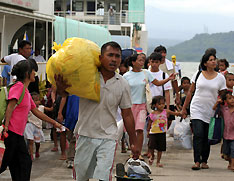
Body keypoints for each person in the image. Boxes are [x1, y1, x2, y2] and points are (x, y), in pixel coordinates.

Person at [55, 41, 140, 181]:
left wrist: (133, 141)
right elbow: (65, 93)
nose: (114, 59)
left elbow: (127, 114)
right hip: (84, 134)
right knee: (81, 177)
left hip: (108, 137)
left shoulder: (122, 83)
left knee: (104, 177)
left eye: (117, 56)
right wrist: (59, 87)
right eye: (110, 55)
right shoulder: (87, 77)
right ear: (100, 58)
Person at [0, 60, 63, 181]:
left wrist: (55, 123)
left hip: (17, 135)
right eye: (33, 71)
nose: (35, 73)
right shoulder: (18, 87)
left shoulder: (25, 91)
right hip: (11, 133)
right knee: (3, 166)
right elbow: (10, 107)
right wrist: (6, 126)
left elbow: (36, 111)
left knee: (21, 164)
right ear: (27, 73)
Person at [123, 53, 176, 157]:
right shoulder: (126, 76)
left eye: (143, 60)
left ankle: (138, 152)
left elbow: (158, 83)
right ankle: (133, 151)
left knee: (140, 129)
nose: (142, 62)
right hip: (130, 106)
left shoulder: (146, 73)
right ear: (133, 62)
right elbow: (122, 91)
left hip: (142, 106)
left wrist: (168, 79)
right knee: (131, 131)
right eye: (139, 60)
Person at [182, 53, 226, 170]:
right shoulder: (198, 75)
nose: (213, 62)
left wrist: (220, 106)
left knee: (207, 136)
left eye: (214, 60)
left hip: (211, 110)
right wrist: (184, 109)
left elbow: (223, 95)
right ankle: (197, 161)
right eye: (211, 60)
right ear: (205, 63)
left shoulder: (220, 77)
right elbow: (190, 92)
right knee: (198, 134)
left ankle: (204, 160)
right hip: (196, 108)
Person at [147, 96, 181, 167]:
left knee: (160, 148)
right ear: (155, 105)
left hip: (162, 133)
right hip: (153, 133)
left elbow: (175, 114)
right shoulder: (152, 114)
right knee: (151, 147)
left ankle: (158, 162)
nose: (162, 105)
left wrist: (181, 112)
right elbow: (149, 123)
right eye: (159, 104)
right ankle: (152, 156)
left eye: (163, 103)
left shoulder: (166, 112)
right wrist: (148, 132)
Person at [154, 45, 180, 127]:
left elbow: (174, 81)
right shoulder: (153, 65)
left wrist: (177, 94)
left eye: (164, 52)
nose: (163, 54)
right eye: (161, 52)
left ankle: (164, 131)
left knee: (170, 118)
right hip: (156, 92)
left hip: (169, 92)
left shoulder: (170, 65)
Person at [24, 92, 53, 160]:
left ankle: (37, 151)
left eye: (38, 100)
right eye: (35, 100)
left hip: (38, 126)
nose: (37, 102)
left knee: (37, 142)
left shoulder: (41, 107)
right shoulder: (29, 108)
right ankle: (31, 154)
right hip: (30, 124)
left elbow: (50, 109)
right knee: (30, 140)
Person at [213, 90, 234, 171]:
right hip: (226, 135)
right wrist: (218, 102)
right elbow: (214, 108)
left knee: (233, 150)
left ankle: (232, 165)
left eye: (233, 98)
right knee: (225, 153)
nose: (232, 100)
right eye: (229, 98)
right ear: (225, 101)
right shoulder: (224, 109)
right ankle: (230, 162)